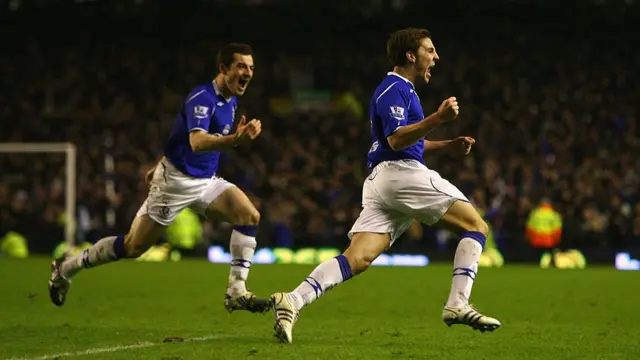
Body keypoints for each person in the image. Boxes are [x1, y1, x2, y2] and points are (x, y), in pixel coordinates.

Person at [269, 28, 501, 344]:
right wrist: (437, 117)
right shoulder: (394, 88)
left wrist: (447, 145)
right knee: (476, 225)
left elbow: (408, 142)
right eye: (429, 50)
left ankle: (293, 299)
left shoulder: (402, 91)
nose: (435, 57)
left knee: (357, 258)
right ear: (410, 55)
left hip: (383, 180)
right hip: (401, 175)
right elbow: (396, 139)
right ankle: (457, 303)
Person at [48, 43, 270, 314]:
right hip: (175, 184)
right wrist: (235, 139)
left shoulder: (231, 101)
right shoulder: (202, 98)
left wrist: (161, 161)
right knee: (133, 246)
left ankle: (236, 291)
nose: (247, 72)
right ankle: (66, 267)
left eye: (251, 67)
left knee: (249, 216)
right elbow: (197, 141)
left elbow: (179, 134)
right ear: (223, 69)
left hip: (204, 180)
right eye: (241, 66)